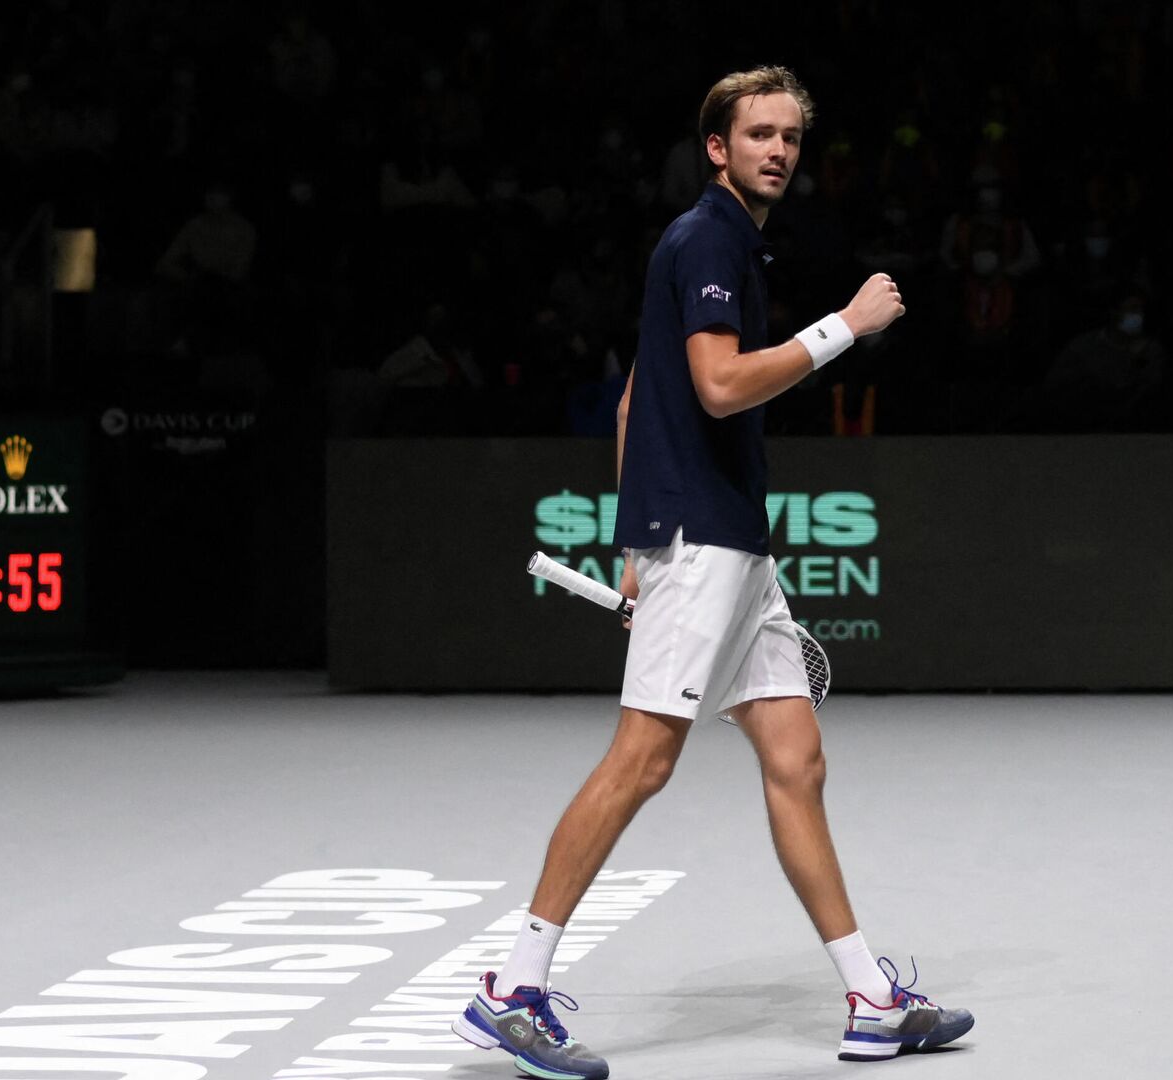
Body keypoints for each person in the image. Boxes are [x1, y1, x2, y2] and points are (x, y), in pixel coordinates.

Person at [452, 66, 973, 1079]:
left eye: (791, 135)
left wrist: (628, 541)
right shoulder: (709, 240)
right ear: (717, 149)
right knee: (642, 761)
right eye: (759, 133)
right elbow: (719, 387)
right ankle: (511, 989)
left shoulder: (721, 245)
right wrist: (844, 329)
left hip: (719, 539)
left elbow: (633, 400)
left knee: (795, 756)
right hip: (704, 538)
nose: (779, 149)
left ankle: (870, 998)